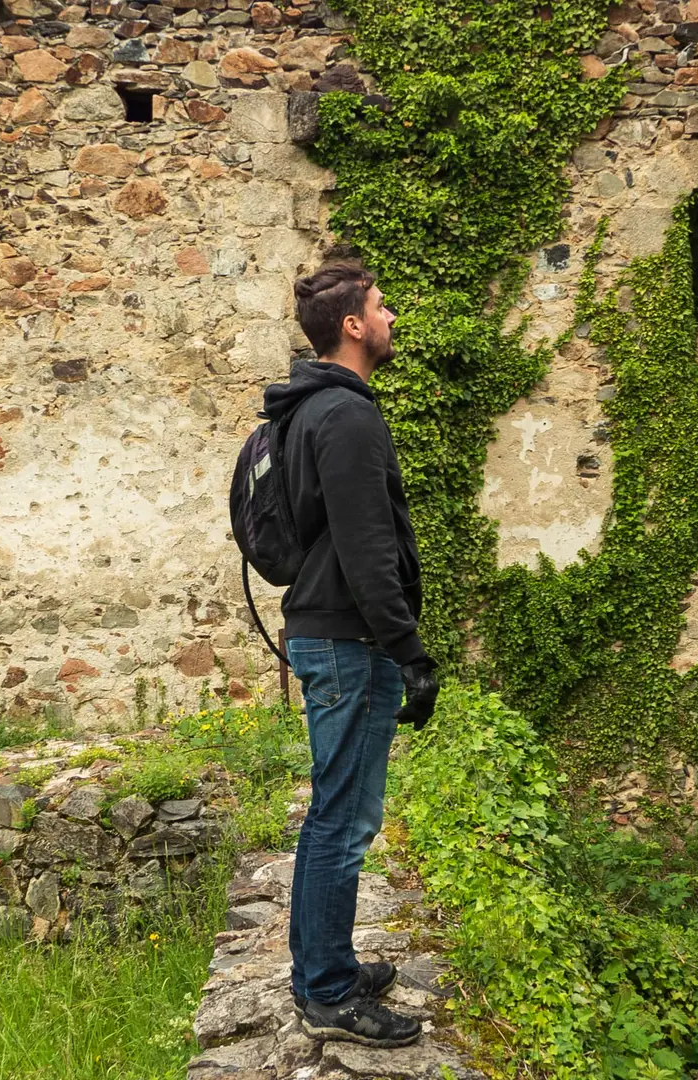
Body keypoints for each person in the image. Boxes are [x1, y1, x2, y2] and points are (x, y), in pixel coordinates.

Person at [260, 261, 440, 1048]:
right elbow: (370, 551)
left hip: (323, 629)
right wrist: (410, 653)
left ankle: (322, 968)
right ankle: (329, 994)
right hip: (347, 638)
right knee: (343, 819)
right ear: (354, 326)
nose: (393, 315)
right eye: (382, 305)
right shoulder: (349, 417)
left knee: (334, 814)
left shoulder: (301, 413)